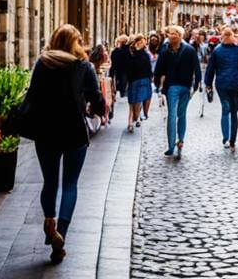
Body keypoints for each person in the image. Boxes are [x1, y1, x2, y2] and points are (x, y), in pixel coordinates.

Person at [25, 24, 106, 265]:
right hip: (73, 131)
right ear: (76, 43)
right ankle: (61, 235)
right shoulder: (84, 67)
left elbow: (33, 96)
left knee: (50, 181)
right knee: (70, 183)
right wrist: (97, 110)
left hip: (46, 131)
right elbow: (96, 99)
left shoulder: (42, 63)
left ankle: (49, 221)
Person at [153, 25, 202, 158]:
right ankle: (171, 145)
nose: (171, 36)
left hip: (185, 86)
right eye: (170, 34)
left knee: (181, 114)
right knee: (172, 114)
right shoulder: (165, 51)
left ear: (180, 36)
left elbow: (196, 68)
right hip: (172, 86)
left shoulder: (189, 50)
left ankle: (180, 140)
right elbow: (159, 69)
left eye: (175, 33)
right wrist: (158, 84)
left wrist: (196, 84)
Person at [204, 27, 238, 151]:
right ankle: (232, 140)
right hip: (237, 83)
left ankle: (225, 138)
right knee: (234, 111)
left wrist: (208, 83)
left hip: (222, 83)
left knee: (225, 109)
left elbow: (210, 69)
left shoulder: (217, 51)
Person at [126, 34, 153, 132]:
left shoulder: (140, 54)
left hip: (139, 80)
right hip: (137, 80)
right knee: (135, 101)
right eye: (141, 42)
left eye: (144, 41)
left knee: (135, 101)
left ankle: (133, 121)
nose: (143, 43)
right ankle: (136, 119)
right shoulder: (137, 54)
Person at [109, 35, 130, 102]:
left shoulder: (115, 51)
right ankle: (123, 92)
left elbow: (113, 61)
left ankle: (119, 92)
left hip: (117, 70)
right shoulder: (129, 51)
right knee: (124, 83)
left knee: (118, 83)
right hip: (125, 70)